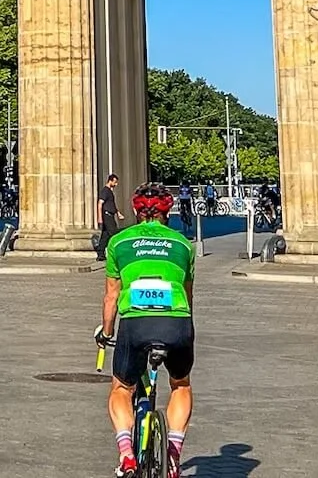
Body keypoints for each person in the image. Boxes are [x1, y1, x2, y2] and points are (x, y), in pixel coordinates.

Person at [99, 183, 195, 477]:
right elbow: (188, 295)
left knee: (122, 388)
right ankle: (174, 453)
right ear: (169, 212)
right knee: (181, 385)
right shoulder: (183, 245)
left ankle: (127, 454)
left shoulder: (119, 242)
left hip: (136, 322)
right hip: (176, 320)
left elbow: (112, 296)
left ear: (136, 210)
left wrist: (106, 332)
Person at [97, 172, 124, 254]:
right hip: (107, 215)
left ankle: (100, 253)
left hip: (110, 214)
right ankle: (117, 250)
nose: (116, 184)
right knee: (114, 232)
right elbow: (100, 204)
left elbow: (112, 204)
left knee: (105, 235)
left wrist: (118, 213)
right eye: (115, 182)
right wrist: (100, 217)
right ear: (110, 181)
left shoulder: (109, 191)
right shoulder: (105, 191)